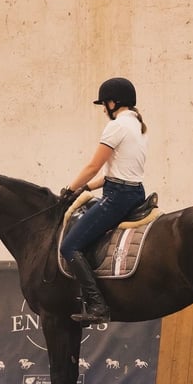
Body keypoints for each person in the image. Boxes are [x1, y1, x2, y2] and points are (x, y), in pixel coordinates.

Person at [60, 77, 148, 324]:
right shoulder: (139, 127)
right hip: (135, 193)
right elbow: (114, 173)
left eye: (104, 103)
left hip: (117, 197)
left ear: (113, 102)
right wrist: (86, 188)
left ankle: (98, 306)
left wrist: (69, 189)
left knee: (70, 246)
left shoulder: (117, 127)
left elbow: (93, 166)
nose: (103, 109)